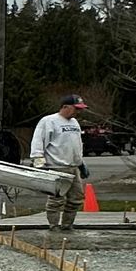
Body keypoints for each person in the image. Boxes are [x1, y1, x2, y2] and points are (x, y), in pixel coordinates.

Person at [28, 93, 87, 229]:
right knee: (56, 199)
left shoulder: (74, 123)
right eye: (76, 108)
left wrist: (81, 162)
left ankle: (67, 225)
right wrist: (39, 161)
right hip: (56, 167)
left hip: (73, 167)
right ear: (65, 107)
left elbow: (76, 144)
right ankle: (53, 225)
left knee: (76, 198)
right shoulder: (49, 121)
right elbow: (38, 141)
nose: (79, 111)